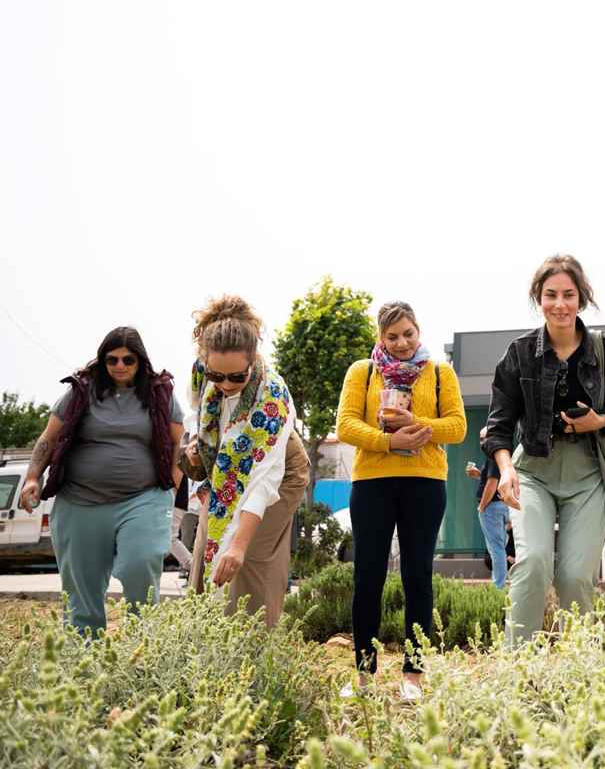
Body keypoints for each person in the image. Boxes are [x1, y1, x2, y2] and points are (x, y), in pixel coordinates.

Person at [484, 254, 605, 647]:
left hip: (588, 475)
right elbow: (498, 426)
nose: (560, 304)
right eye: (550, 294)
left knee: (574, 577)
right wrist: (505, 469)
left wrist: (600, 421)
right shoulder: (519, 353)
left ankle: (580, 674)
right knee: (534, 563)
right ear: (539, 298)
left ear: (581, 298)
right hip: (532, 472)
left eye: (568, 294)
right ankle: (518, 672)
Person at [335, 301, 467, 701]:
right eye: (392, 336)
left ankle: (413, 675)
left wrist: (418, 425)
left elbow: (458, 427)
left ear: (418, 330)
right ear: (381, 338)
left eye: (408, 333)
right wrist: (388, 440)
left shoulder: (440, 373)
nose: (402, 342)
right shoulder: (363, 371)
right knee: (368, 578)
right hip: (373, 482)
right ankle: (363, 676)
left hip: (425, 483)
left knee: (417, 577)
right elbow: (345, 424)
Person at [19, 326, 184, 635]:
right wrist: (31, 477)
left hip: (142, 499)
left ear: (141, 361)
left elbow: (179, 442)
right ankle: (84, 664)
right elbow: (47, 439)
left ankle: (144, 644)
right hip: (80, 502)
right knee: (82, 590)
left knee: (141, 562)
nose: (120, 366)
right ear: (102, 360)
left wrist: (172, 486)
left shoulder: (160, 394)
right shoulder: (81, 392)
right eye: (112, 360)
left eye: (128, 360)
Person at [179, 296, 310, 628]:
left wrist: (237, 545)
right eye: (216, 376)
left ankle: (252, 658)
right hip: (226, 466)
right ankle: (204, 644)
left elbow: (263, 480)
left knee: (247, 558)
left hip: (279, 472)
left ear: (253, 361)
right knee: (208, 549)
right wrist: (201, 451)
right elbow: (202, 420)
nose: (224, 385)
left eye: (236, 378)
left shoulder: (272, 399)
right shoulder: (202, 376)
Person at [467, 426, 511, 589]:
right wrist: (479, 474)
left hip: (491, 507)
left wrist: (482, 506)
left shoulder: (493, 457)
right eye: (480, 438)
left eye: (485, 438)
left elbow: (492, 484)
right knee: (499, 546)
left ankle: (498, 586)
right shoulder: (497, 457)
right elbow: (491, 478)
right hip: (499, 506)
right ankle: (500, 583)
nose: (482, 442)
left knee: (496, 549)